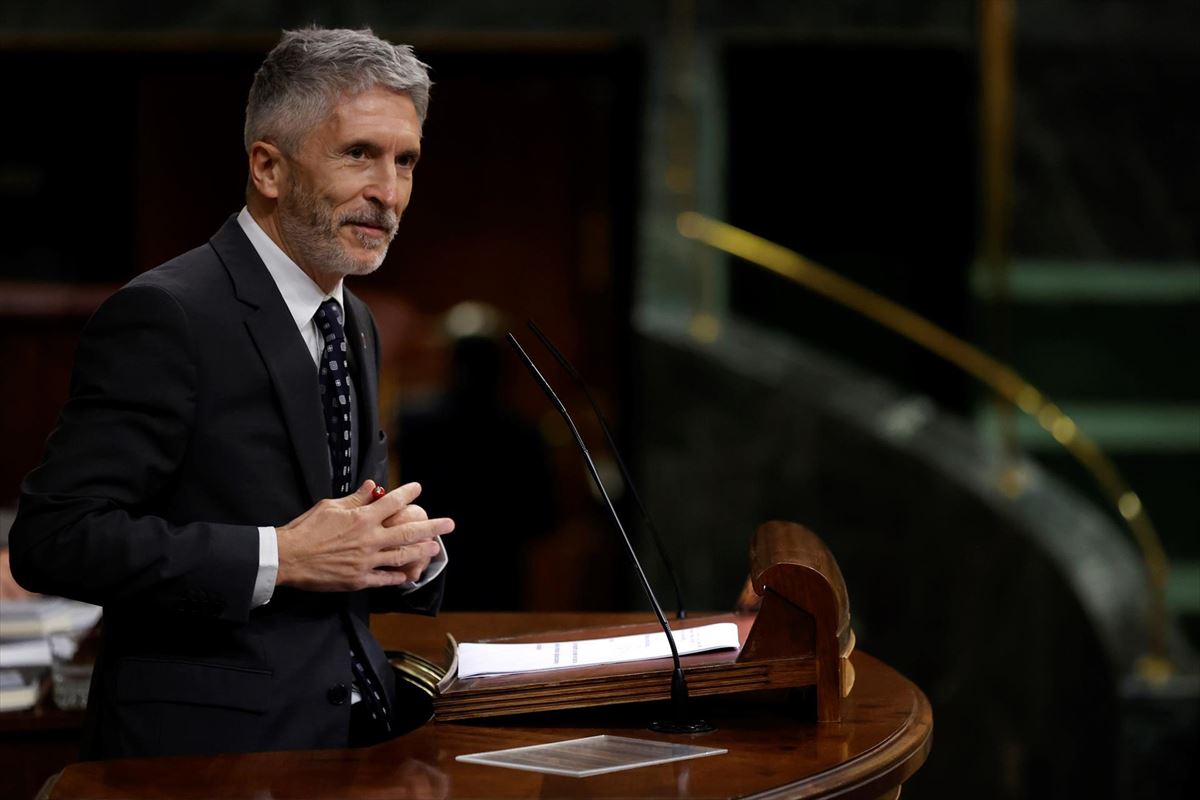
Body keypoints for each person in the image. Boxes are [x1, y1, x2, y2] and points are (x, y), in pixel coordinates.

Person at [8, 27, 453, 759]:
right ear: (268, 168)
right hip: (210, 750)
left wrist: (397, 549)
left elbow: (338, 532)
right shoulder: (168, 315)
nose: (389, 192)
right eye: (359, 155)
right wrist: (279, 556)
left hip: (357, 733)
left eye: (405, 161)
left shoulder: (358, 320)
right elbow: (55, 540)